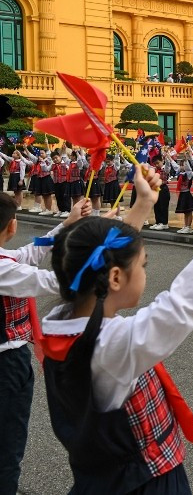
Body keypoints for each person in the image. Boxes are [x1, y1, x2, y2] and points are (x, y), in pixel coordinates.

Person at [40, 165, 193, 494]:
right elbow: (183, 303)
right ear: (114, 278)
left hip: (100, 477)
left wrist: (143, 204)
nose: (144, 271)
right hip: (145, 482)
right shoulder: (112, 346)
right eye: (143, 265)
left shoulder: (60, 323)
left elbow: (103, 255)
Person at [0, 193, 90, 495]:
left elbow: (29, 252)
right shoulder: (4, 269)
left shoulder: (5, 262)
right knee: (6, 450)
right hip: (5, 368)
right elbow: (56, 281)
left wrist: (67, 223)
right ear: (12, 225)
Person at [173, 150, 193, 234]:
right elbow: (174, 165)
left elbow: (189, 169)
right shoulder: (180, 174)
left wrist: (186, 159)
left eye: (183, 165)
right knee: (185, 211)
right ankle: (185, 225)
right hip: (182, 194)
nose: (182, 167)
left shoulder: (188, 174)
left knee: (188, 211)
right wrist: (168, 157)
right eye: (181, 165)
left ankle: (189, 226)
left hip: (187, 194)